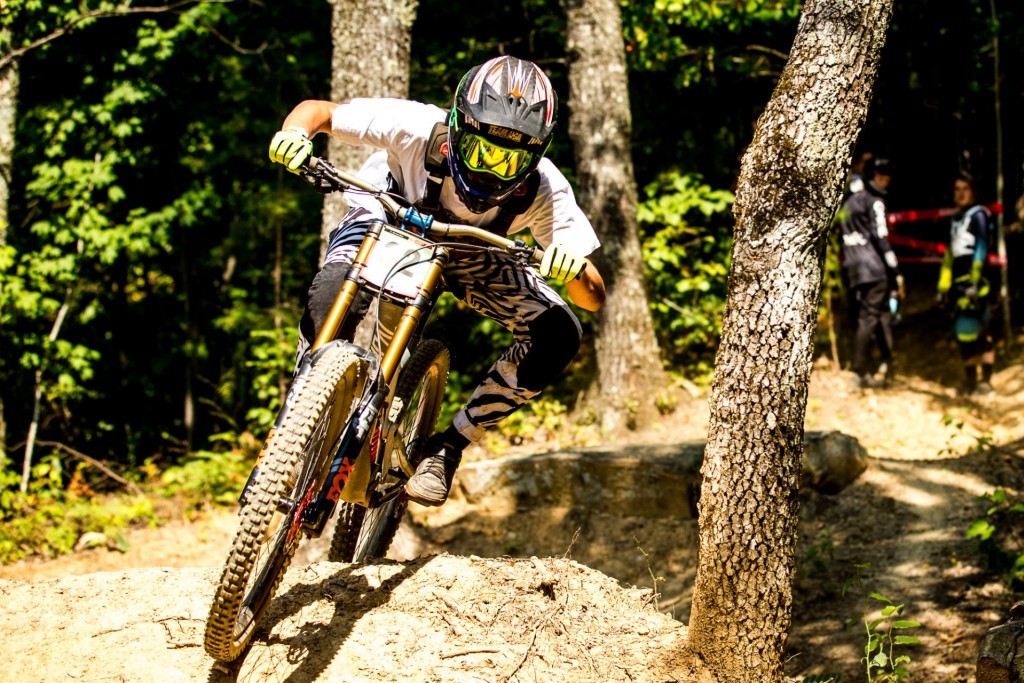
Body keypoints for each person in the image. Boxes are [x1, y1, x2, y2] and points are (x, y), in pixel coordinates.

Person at [267, 56, 606, 507]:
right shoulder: (414, 126)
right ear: (458, 128)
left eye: (510, 161)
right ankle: (300, 420)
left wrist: (574, 269)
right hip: (386, 218)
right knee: (331, 296)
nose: (491, 171)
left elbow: (592, 297)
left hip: (473, 253)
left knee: (560, 333)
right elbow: (319, 112)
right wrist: (294, 134)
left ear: (535, 158)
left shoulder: (546, 188)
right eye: (482, 151)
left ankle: (448, 446)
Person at [838, 157, 904, 388]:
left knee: (870, 316)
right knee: (873, 318)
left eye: (888, 175)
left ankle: (879, 366)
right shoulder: (875, 201)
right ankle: (863, 370)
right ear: (871, 175)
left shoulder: (847, 201)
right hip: (874, 269)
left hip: (853, 268)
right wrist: (896, 270)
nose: (885, 180)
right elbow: (881, 236)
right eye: (880, 175)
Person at [936, 174, 995, 396]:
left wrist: (975, 280)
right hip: (958, 285)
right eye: (957, 189)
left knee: (983, 330)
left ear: (973, 192)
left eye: (965, 189)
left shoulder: (979, 215)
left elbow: (982, 246)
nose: (960, 193)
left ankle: (986, 383)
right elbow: (949, 256)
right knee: (963, 334)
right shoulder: (955, 219)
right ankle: (970, 382)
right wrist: (943, 288)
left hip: (979, 283)